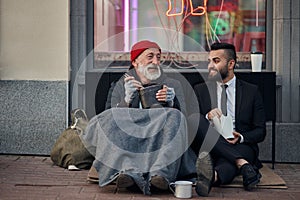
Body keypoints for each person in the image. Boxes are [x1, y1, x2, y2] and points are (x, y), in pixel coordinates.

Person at [82, 40, 197, 195]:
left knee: (176, 116)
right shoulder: (120, 85)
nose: (156, 61)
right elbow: (109, 120)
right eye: (150, 56)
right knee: (109, 117)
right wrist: (126, 100)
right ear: (135, 62)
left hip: (159, 139)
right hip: (130, 140)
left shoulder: (173, 85)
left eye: (158, 57)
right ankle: (127, 171)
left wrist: (172, 101)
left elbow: (183, 119)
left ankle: (161, 174)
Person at [188, 42, 266, 196]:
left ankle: (213, 177)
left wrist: (241, 137)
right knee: (195, 118)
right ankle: (242, 164)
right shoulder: (200, 89)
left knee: (231, 156)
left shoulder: (251, 91)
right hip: (210, 145)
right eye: (209, 61)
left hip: (240, 145)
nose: (210, 65)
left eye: (216, 61)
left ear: (231, 64)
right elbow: (192, 124)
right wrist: (207, 116)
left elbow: (260, 131)